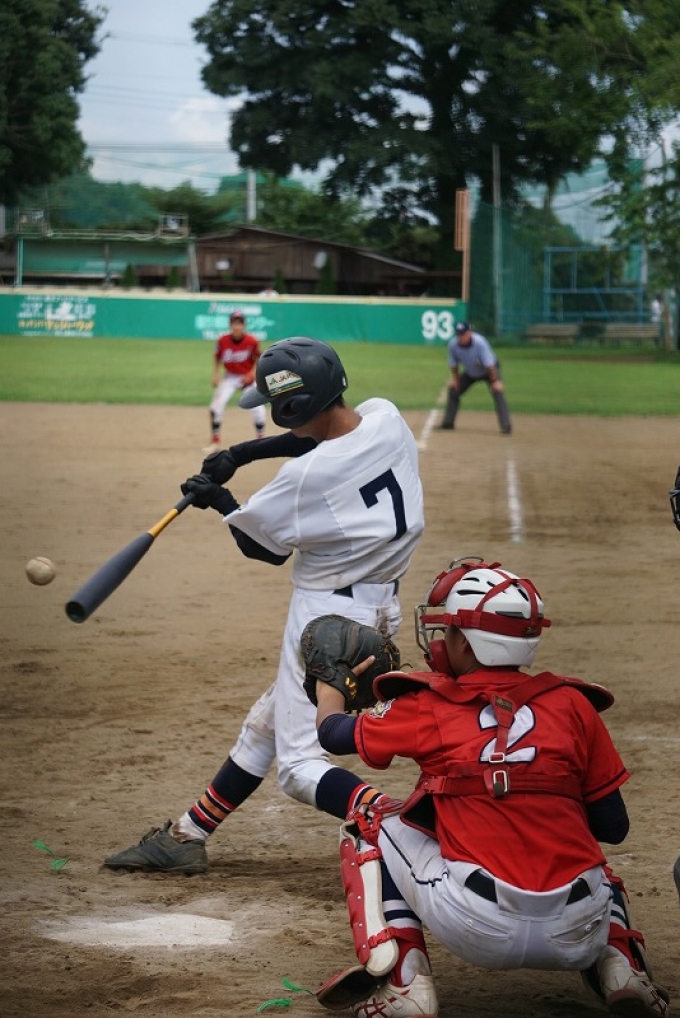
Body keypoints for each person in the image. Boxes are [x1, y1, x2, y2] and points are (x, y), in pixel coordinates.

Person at [104, 336, 425, 875]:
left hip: (324, 624)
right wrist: (241, 454)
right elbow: (322, 439)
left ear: (294, 408)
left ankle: (409, 822)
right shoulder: (386, 419)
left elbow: (265, 549)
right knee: (267, 723)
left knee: (299, 767)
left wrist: (219, 499)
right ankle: (188, 834)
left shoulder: (306, 480)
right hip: (379, 609)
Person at [311, 560, 670, 1017]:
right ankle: (623, 969)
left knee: (370, 821)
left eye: (447, 631)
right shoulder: (574, 705)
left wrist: (330, 686)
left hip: (476, 923)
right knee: (591, 860)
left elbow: (333, 733)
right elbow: (613, 826)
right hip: (580, 930)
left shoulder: (427, 704)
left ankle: (406, 983)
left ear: (464, 641)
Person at [438, 321, 512, 434]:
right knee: (453, 390)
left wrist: (495, 381)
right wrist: (456, 380)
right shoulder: (453, 345)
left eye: (463, 334)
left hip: (489, 371)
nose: (460, 337)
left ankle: (506, 426)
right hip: (470, 372)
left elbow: (490, 365)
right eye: (458, 334)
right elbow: (453, 365)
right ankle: (448, 423)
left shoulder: (480, 342)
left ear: (469, 333)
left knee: (497, 392)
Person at [208, 309, 265, 448]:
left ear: (244, 325)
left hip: (247, 377)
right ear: (230, 325)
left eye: (240, 323)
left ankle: (261, 440)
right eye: (234, 323)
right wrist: (216, 374)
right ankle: (215, 440)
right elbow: (217, 357)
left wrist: (252, 373)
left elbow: (260, 358)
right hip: (230, 377)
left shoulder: (252, 341)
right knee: (216, 407)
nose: (237, 326)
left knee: (259, 409)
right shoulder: (223, 340)